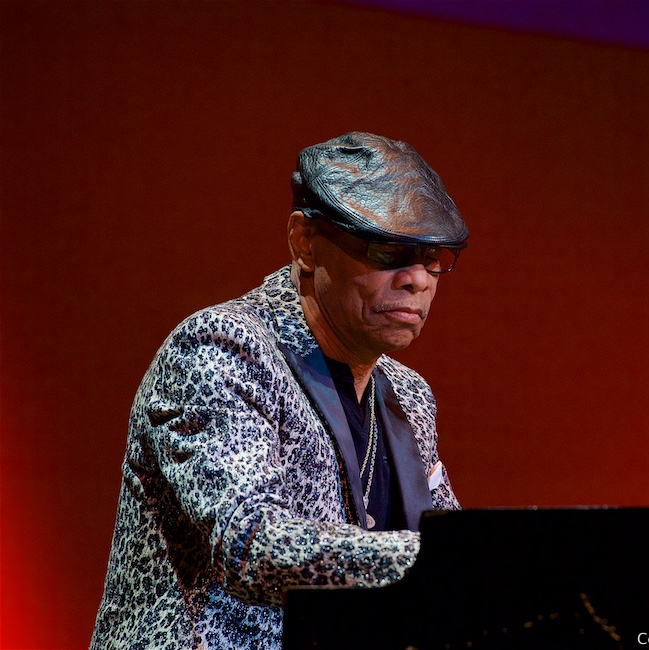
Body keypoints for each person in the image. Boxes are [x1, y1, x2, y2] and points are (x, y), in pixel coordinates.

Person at [91, 132, 468, 649]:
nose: (418, 279)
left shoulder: (408, 395)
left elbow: (457, 554)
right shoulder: (223, 349)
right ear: (305, 243)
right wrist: (443, 559)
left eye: (432, 257)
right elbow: (250, 543)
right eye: (390, 250)